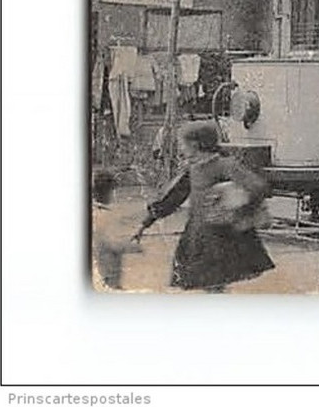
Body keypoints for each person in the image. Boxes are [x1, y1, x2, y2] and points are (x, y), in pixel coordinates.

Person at [134, 119, 274, 292]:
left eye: (182, 144)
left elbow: (258, 187)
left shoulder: (225, 165)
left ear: (195, 144)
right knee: (211, 286)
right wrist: (145, 223)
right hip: (198, 236)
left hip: (223, 238)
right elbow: (171, 200)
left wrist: (235, 203)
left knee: (214, 285)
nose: (181, 148)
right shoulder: (192, 170)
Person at [91, 169, 138, 290]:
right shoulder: (104, 215)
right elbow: (113, 244)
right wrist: (135, 247)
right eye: (113, 191)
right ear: (109, 192)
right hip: (108, 270)